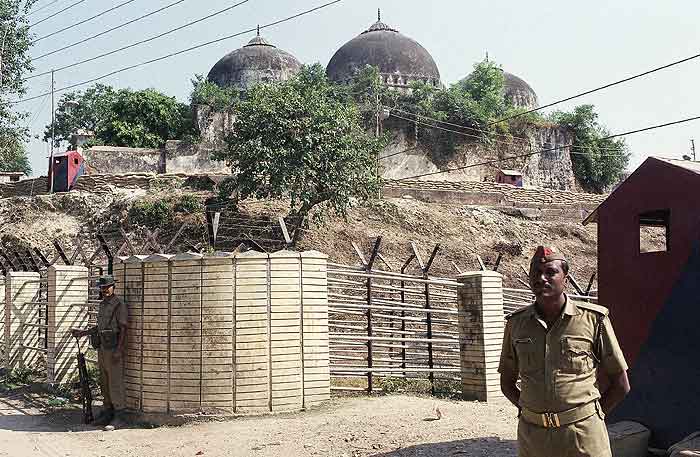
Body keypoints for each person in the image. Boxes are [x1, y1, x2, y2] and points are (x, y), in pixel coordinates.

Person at [499, 246, 631, 457]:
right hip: (534, 438)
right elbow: (506, 382)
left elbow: (621, 384)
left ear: (566, 279)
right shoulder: (516, 324)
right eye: (536, 273)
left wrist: (589, 418)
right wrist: (532, 410)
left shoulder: (593, 320)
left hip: (582, 436)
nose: (541, 278)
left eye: (550, 272)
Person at [72, 275, 127, 426]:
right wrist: (83, 333)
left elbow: (123, 328)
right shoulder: (103, 305)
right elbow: (100, 327)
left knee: (115, 382)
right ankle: (107, 412)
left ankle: (120, 415)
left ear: (113, 287)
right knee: (104, 382)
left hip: (113, 348)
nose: (105, 290)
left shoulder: (119, 304)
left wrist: (119, 350)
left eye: (107, 287)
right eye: (102, 288)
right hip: (102, 347)